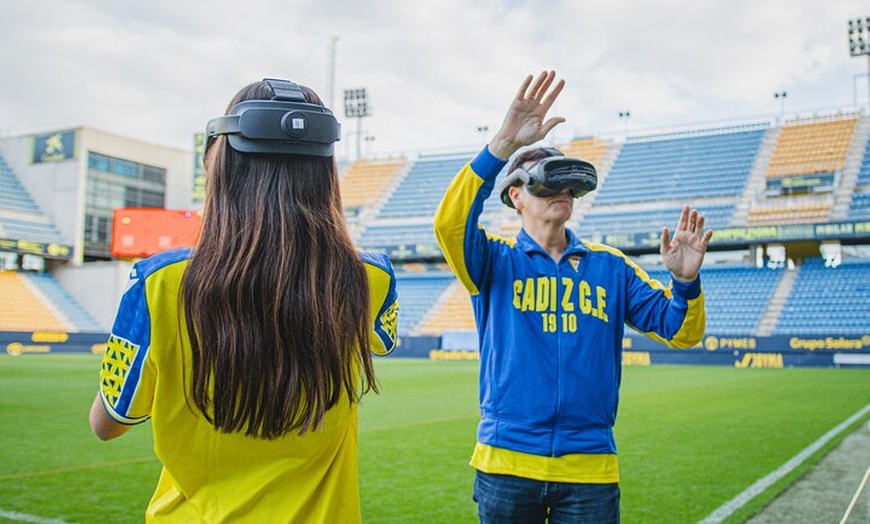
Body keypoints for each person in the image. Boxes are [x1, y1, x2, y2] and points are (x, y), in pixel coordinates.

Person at [88, 78, 399, 523]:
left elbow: (107, 424)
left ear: (221, 162)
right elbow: (377, 342)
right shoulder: (371, 276)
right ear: (325, 168)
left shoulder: (159, 280)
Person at [434, 71, 713, 523]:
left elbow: (682, 333)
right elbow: (449, 224)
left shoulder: (611, 266)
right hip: (505, 463)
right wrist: (502, 145)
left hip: (590, 469)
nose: (561, 190)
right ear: (515, 196)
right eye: (546, 180)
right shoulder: (493, 261)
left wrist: (685, 283)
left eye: (566, 182)